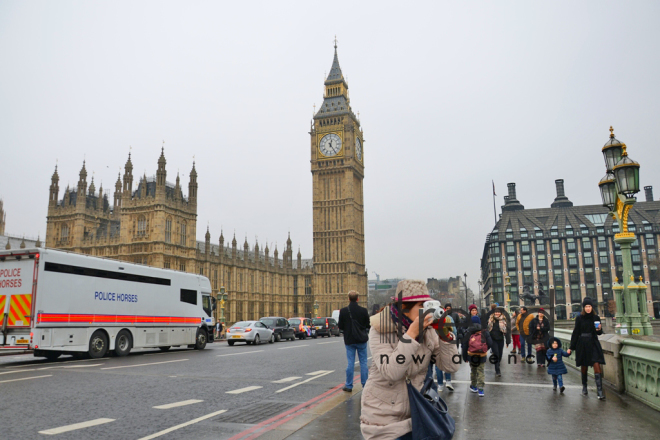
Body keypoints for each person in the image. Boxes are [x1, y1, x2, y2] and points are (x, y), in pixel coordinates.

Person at [360, 280, 459, 440]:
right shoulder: (380, 329)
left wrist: (445, 336)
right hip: (384, 418)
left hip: (418, 412)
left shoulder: (427, 331)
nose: (428, 311)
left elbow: (451, 366)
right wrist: (411, 334)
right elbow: (391, 371)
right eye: (422, 306)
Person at [568, 297, 606, 400]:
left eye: (589, 306)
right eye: (586, 306)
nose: (588, 308)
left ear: (592, 307)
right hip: (583, 343)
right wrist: (571, 347)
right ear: (583, 308)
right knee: (584, 366)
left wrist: (599, 329)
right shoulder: (579, 318)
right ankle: (584, 387)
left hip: (593, 343)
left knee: (596, 365)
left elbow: (598, 332)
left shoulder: (596, 318)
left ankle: (600, 391)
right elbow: (576, 332)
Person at [338, 290, 371, 392]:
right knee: (364, 363)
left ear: (348, 299)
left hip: (349, 340)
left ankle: (348, 385)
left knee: (350, 363)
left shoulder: (343, 311)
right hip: (361, 340)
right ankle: (365, 385)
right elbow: (367, 325)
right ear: (358, 299)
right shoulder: (363, 311)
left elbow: (340, 326)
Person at [462, 315, 493, 397]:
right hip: (481, 355)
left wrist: (465, 357)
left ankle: (474, 386)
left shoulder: (469, 331)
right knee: (481, 371)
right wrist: (484, 349)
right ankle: (481, 389)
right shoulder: (484, 331)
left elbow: (464, 345)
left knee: (473, 371)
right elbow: (490, 343)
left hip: (471, 355)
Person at [487, 307, 510, 376]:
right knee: (496, 353)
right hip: (493, 339)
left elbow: (506, 331)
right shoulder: (490, 319)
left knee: (500, 354)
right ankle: (497, 370)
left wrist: (507, 341)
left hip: (500, 339)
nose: (497, 313)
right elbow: (487, 329)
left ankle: (498, 363)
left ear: (501, 313)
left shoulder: (504, 320)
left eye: (498, 312)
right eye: (496, 312)